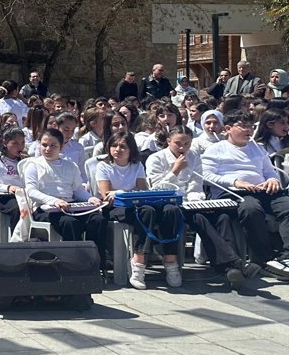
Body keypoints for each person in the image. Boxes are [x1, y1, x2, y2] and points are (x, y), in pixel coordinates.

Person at [146, 128, 250, 289]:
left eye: (187, 144)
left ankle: (229, 267)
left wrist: (196, 200)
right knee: (199, 219)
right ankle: (233, 264)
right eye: (178, 143)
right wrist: (175, 170)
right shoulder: (156, 158)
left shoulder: (194, 156)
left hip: (189, 202)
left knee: (222, 217)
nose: (182, 148)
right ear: (168, 142)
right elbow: (156, 188)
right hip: (167, 205)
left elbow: (195, 184)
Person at [201, 111, 289, 279]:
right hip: (233, 192)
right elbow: (205, 176)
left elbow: (270, 171)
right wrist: (235, 182)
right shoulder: (216, 149)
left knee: (287, 206)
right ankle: (264, 258)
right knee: (251, 209)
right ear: (228, 128)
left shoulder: (257, 148)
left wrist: (272, 180)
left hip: (262, 189)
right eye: (243, 126)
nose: (248, 130)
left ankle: (286, 256)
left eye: (251, 126)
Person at [96, 133, 182, 290]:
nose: (118, 149)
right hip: (115, 208)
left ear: (131, 149)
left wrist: (122, 191)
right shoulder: (103, 166)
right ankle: (138, 262)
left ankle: (171, 260)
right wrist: (126, 192)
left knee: (171, 210)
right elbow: (106, 195)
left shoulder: (137, 166)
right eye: (114, 146)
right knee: (146, 212)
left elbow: (142, 190)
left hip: (137, 205)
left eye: (123, 146)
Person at [23, 129, 108, 264]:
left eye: (53, 146)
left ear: (61, 147)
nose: (48, 149)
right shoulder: (34, 165)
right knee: (70, 223)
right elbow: (31, 191)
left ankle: (96, 262)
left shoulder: (70, 165)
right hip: (45, 208)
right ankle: (74, 263)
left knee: (97, 219)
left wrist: (90, 198)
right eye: (44, 145)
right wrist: (54, 201)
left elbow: (77, 190)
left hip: (70, 204)